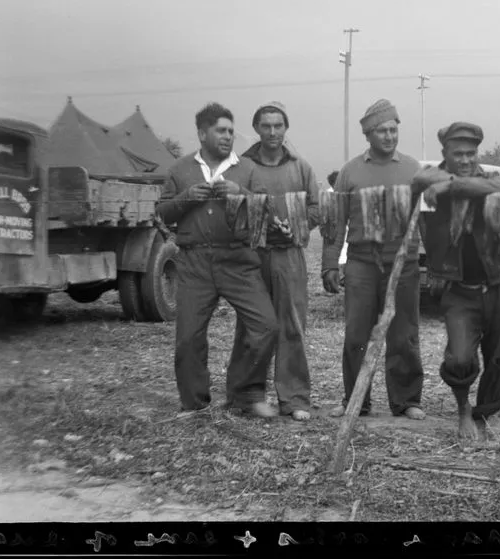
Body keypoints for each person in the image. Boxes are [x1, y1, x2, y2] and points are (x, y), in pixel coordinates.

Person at [155, 102, 280, 418]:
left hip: (238, 259)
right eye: (220, 131)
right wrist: (186, 198)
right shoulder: (180, 170)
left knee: (266, 326)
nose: (227, 137)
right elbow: (162, 212)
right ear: (202, 133)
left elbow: (267, 212)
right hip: (195, 262)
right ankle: (195, 403)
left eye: (230, 131)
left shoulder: (248, 169)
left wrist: (241, 193)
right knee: (188, 337)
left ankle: (246, 394)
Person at [412, 122, 500, 440]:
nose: (466, 159)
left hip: (499, 281)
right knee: (459, 356)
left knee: (498, 355)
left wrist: (453, 187)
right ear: (444, 153)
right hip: (457, 288)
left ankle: (483, 413)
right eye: (458, 153)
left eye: (471, 153)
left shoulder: (490, 180)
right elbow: (419, 180)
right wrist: (447, 184)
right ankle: (462, 409)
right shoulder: (430, 179)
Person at [321, 99, 425, 420]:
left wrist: (429, 261)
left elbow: (424, 220)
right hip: (361, 263)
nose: (389, 136)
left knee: (404, 333)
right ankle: (356, 400)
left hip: (403, 263)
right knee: (356, 334)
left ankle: (406, 400)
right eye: (382, 131)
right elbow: (335, 223)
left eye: (394, 129)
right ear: (368, 134)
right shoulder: (350, 172)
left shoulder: (412, 169)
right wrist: (328, 264)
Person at [231, 101, 320, 422]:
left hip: (290, 256)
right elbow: (235, 212)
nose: (272, 132)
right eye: (266, 126)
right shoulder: (243, 166)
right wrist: (258, 226)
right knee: (254, 325)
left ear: (286, 128)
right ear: (256, 128)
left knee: (292, 325)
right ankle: (247, 395)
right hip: (253, 256)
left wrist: (294, 227)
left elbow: (315, 209)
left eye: (278, 125)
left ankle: (294, 397)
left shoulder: (301, 167)